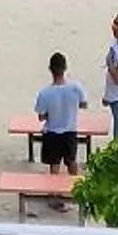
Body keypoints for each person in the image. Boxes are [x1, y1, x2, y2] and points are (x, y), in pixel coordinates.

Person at [31, 54, 87, 206]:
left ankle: (54, 195)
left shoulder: (45, 93)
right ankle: (78, 190)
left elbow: (41, 117)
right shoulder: (75, 87)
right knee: (71, 162)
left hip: (52, 133)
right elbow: (83, 104)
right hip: (70, 131)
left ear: (50, 70)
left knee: (54, 165)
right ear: (65, 68)